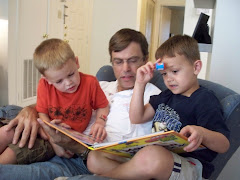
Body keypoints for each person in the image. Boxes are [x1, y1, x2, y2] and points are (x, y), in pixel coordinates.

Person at [0, 28, 160, 180]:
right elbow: (53, 104)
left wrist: (75, 147)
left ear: (145, 60)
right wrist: (29, 110)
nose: (125, 68)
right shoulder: (101, 85)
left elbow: (139, 155)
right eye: (118, 62)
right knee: (9, 113)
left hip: (82, 160)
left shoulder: (153, 97)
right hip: (58, 135)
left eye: (132, 61)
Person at [98, 35, 230, 180]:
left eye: (174, 71)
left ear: (196, 67)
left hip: (189, 165)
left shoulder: (204, 99)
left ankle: (104, 177)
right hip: (157, 160)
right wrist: (140, 84)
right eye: (164, 74)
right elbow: (136, 117)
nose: (169, 79)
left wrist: (201, 132)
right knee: (96, 157)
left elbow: (224, 145)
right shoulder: (166, 96)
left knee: (151, 154)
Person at [0, 38, 109, 164]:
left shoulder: (90, 83)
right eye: (59, 81)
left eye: (71, 74)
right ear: (47, 79)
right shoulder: (44, 85)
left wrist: (100, 123)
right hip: (46, 131)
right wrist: (51, 135)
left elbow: (103, 106)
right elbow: (42, 114)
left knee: (11, 155)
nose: (68, 83)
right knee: (6, 132)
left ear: (77, 62)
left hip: (59, 139)